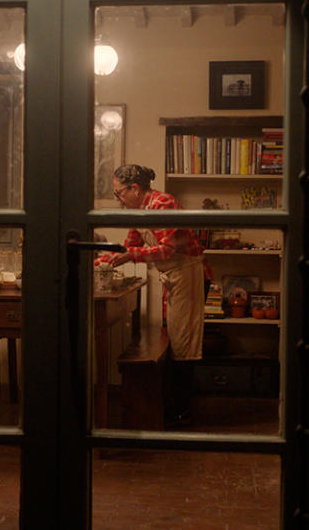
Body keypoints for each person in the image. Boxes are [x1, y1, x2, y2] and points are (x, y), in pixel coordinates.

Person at [95, 164, 209, 427]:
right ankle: (171, 405)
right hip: (173, 276)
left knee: (184, 343)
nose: (118, 199)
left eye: (119, 193)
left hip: (187, 273)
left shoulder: (162, 203)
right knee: (175, 338)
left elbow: (167, 250)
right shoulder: (137, 210)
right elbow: (132, 246)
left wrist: (127, 256)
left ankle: (182, 411)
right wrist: (105, 256)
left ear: (135, 188)